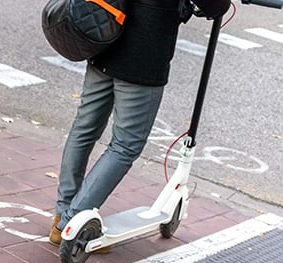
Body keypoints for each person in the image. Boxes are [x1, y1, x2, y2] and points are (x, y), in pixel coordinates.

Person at [49, 0, 231, 249]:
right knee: (125, 146)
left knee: (84, 128)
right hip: (142, 56)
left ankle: (63, 212)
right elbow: (213, 5)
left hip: (103, 36)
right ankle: (72, 222)